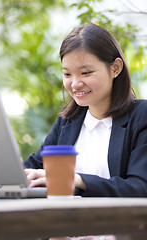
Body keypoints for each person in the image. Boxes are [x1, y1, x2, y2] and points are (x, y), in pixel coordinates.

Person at [24, 23, 147, 239]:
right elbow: (33, 168)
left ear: (115, 68)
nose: (75, 83)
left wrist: (77, 179)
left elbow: (139, 188)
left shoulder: (141, 116)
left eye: (86, 72)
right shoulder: (68, 122)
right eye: (67, 74)